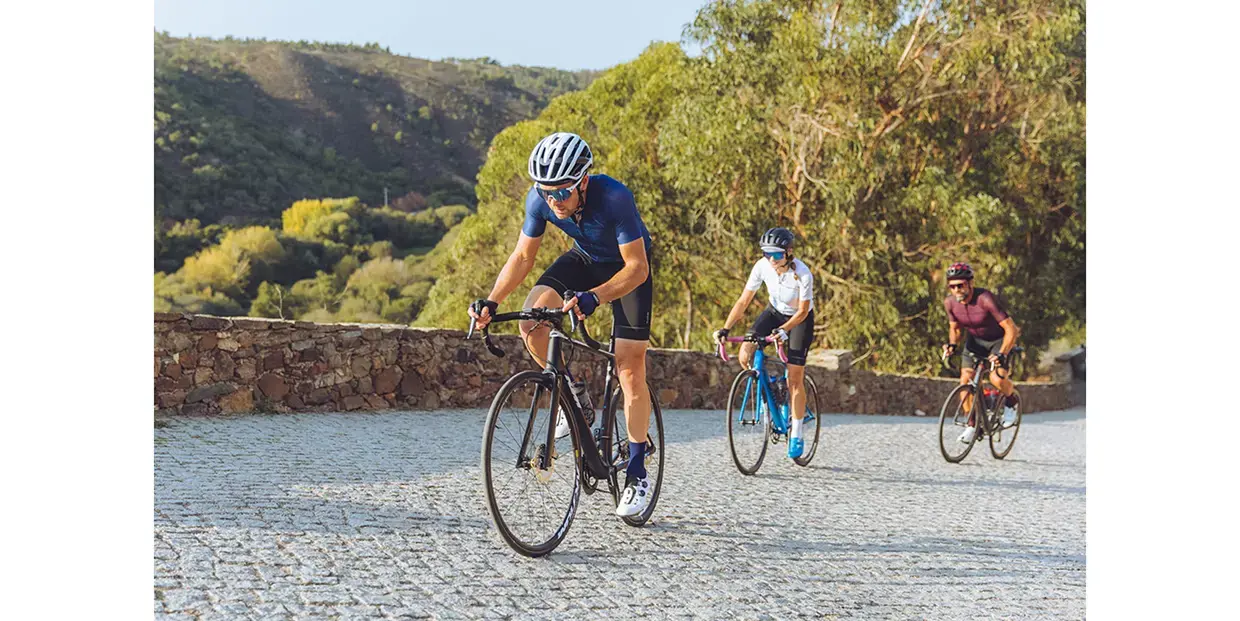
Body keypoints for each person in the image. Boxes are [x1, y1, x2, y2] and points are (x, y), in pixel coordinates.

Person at [466, 132, 655, 518]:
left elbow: (638, 267)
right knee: (532, 321)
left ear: (583, 181)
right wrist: (491, 301)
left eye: (563, 192)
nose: (554, 200)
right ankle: (574, 397)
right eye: (546, 192)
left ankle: (637, 470)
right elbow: (523, 256)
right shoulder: (540, 200)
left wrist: (596, 297)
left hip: (627, 269)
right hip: (584, 259)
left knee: (629, 369)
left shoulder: (614, 197)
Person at [713, 227, 816, 458]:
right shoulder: (762, 266)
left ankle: (797, 432)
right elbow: (743, 301)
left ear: (788, 252)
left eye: (777, 254)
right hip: (774, 313)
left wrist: (785, 330)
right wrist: (726, 328)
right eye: (767, 253)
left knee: (795, 378)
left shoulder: (803, 273)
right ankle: (770, 390)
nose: (771, 259)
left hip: (799, 320)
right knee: (745, 353)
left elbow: (802, 311)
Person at [940, 262, 1020, 443]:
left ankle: (1011, 401)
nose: (956, 290)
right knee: (965, 382)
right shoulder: (950, 303)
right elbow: (955, 328)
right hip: (975, 343)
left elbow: (1011, 329)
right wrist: (952, 344)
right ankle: (972, 425)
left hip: (998, 341)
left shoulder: (985, 299)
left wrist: (1002, 353)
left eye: (960, 285)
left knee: (996, 379)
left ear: (970, 283)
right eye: (952, 286)